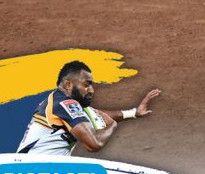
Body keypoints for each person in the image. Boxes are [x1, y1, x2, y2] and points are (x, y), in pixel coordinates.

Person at [17, 60, 161, 155]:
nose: (91, 90)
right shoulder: (65, 104)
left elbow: (98, 115)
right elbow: (94, 144)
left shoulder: (58, 101)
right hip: (35, 173)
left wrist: (134, 112)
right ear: (68, 84)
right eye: (86, 85)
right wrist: (112, 126)